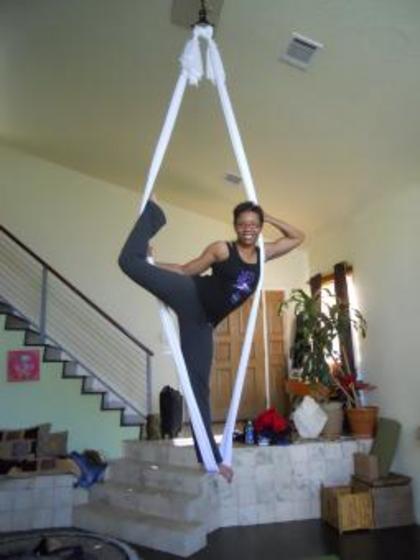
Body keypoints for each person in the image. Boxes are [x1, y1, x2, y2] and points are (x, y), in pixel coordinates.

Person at [118, 199, 304, 483]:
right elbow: (185, 270)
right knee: (129, 262)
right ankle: (153, 216)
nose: (248, 229)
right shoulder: (222, 249)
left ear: (260, 227)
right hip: (189, 294)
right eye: (242, 224)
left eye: (254, 224)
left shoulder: (264, 254)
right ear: (235, 226)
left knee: (198, 390)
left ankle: (211, 458)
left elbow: (298, 237)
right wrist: (154, 265)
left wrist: (269, 217)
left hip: (202, 323)